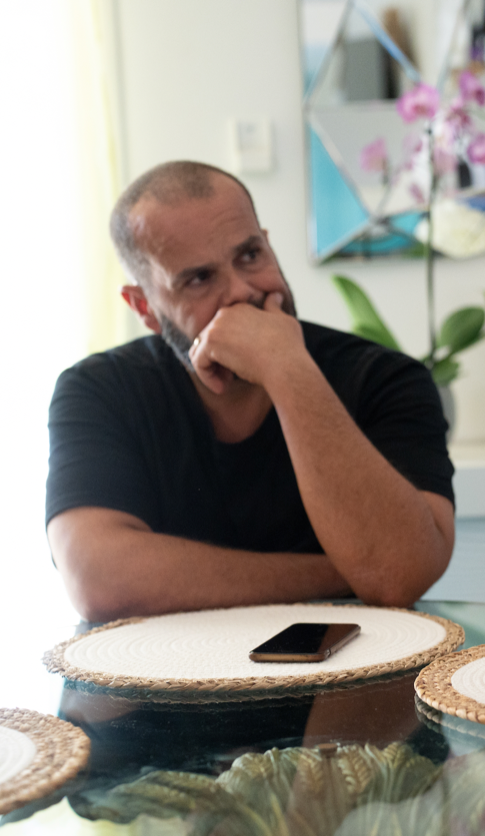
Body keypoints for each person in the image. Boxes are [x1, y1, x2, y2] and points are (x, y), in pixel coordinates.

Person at [46, 161, 455, 622]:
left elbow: (399, 575)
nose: (242, 292)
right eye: (200, 278)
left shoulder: (386, 378)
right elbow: (99, 583)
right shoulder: (98, 391)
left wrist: (288, 370)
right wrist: (343, 575)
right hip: (164, 686)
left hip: (355, 685)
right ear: (145, 307)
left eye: (250, 256)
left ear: (268, 244)